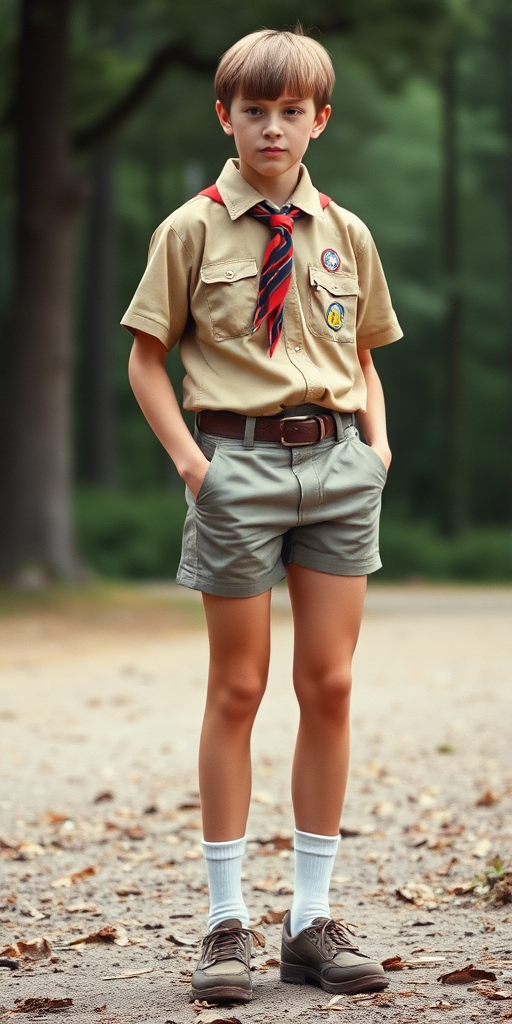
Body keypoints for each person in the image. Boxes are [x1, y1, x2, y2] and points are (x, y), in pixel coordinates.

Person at [122, 27, 403, 1005]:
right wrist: (195, 465)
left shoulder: (345, 233)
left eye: (292, 111)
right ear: (224, 117)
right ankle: (224, 920)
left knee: (326, 684)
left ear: (319, 120)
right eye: (254, 110)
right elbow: (145, 358)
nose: (272, 126)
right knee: (236, 688)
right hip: (234, 463)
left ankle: (308, 921)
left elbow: (365, 351)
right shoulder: (189, 229)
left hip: (333, 463)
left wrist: (374, 445)